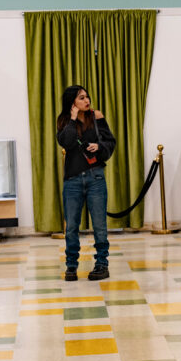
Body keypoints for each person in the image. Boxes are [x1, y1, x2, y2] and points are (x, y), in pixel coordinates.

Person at [56, 85, 116, 281]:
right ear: (72, 102)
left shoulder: (96, 116)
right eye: (81, 98)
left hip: (95, 176)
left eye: (87, 97)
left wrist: (99, 146)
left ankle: (101, 264)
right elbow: (66, 142)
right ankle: (71, 266)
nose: (86, 100)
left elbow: (110, 142)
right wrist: (73, 119)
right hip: (72, 180)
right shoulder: (64, 120)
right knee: (72, 225)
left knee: (99, 224)